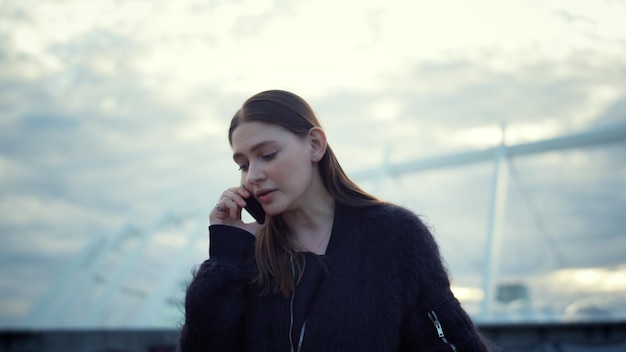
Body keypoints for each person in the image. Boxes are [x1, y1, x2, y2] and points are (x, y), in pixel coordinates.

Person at [178, 90, 490, 351]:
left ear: (315, 144)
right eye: (242, 165)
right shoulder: (247, 256)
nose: (254, 175)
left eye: (268, 154)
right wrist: (225, 260)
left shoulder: (394, 236)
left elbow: (452, 344)